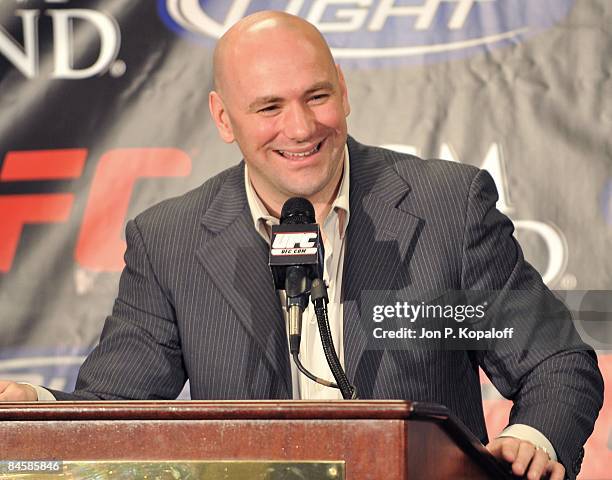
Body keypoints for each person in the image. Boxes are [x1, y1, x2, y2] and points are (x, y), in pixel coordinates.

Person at [0, 11, 603, 480]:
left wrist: (534, 439)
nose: (301, 128)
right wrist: (37, 404)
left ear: (343, 90)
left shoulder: (448, 206)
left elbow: (557, 363)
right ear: (223, 119)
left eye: (316, 96)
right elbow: (117, 406)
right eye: (268, 107)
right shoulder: (170, 240)